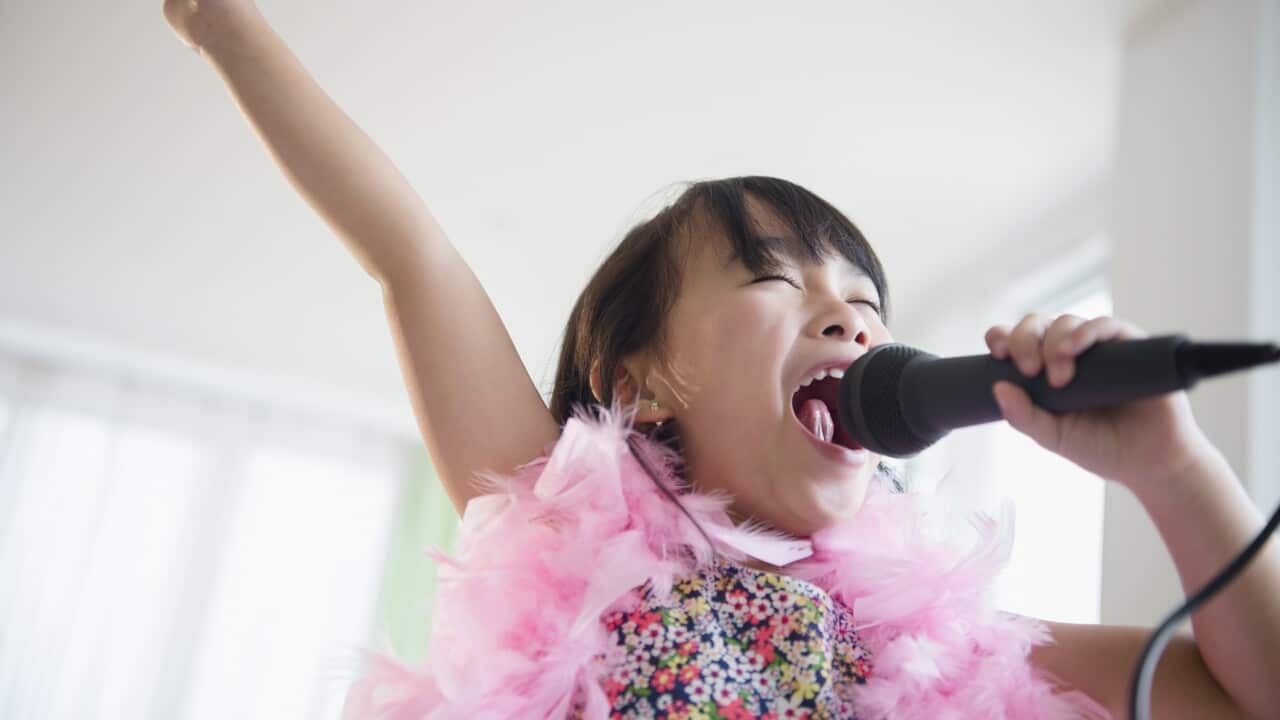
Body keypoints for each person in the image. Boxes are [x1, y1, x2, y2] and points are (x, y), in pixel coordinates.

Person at [162, 2, 1280, 718]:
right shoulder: (564, 528)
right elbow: (416, 259)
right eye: (774, 278)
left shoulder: (942, 649)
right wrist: (223, 25)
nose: (847, 319)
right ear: (640, 382)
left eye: (865, 304)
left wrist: (1173, 472)